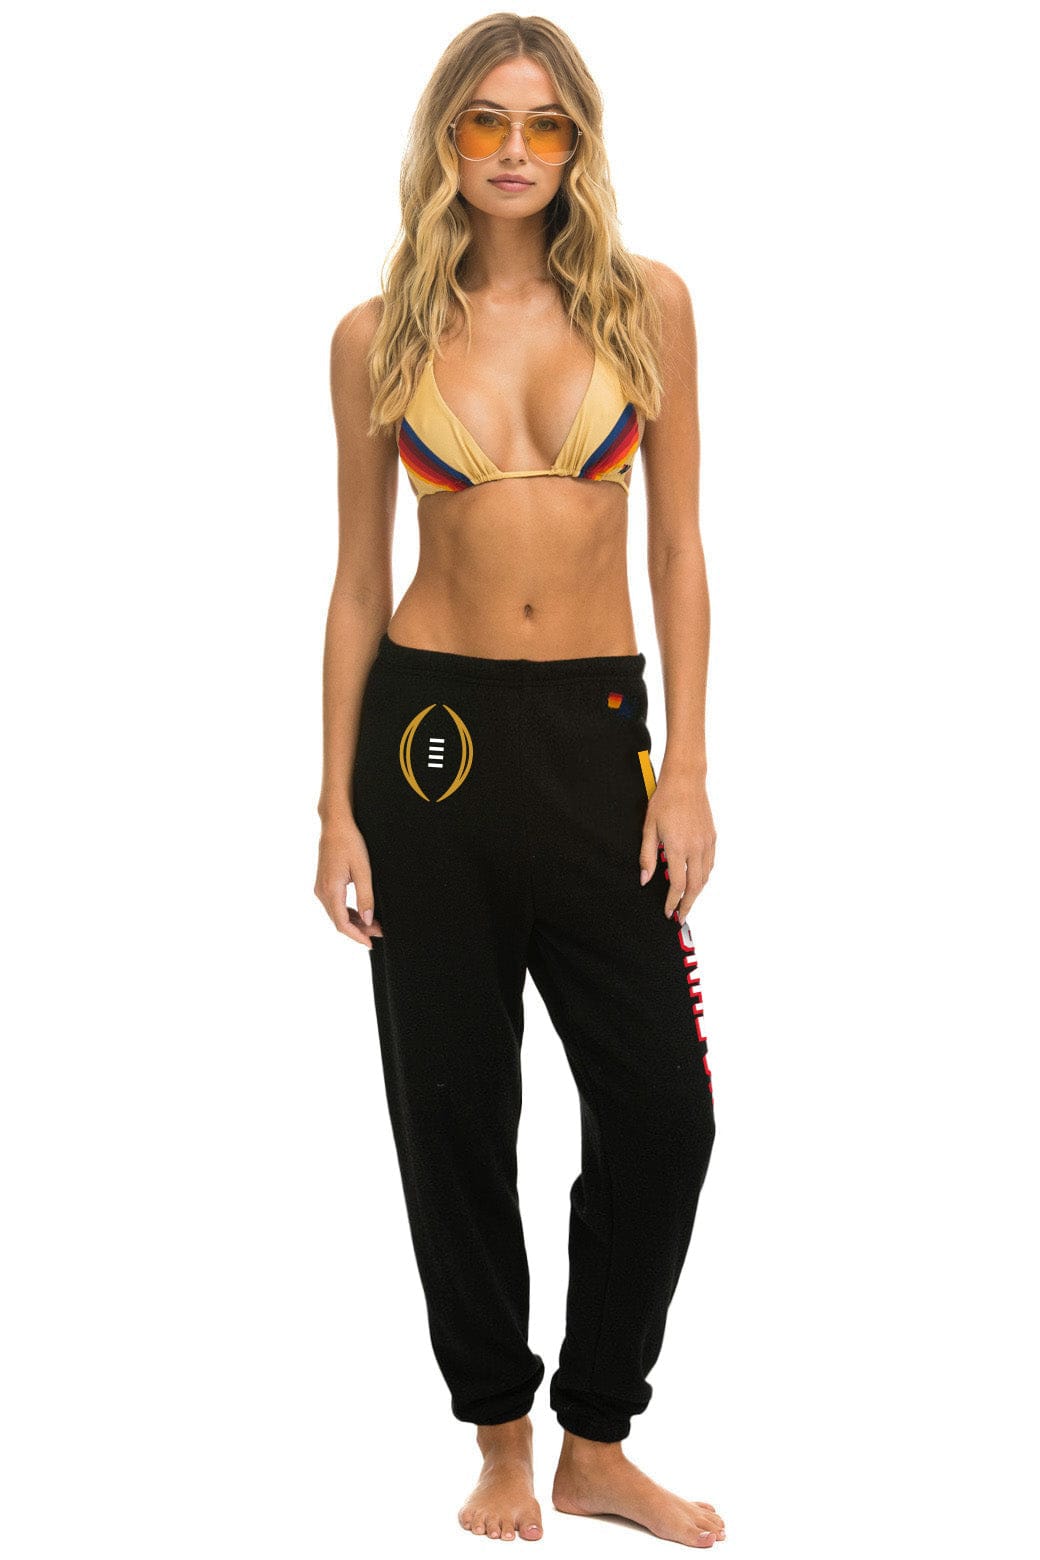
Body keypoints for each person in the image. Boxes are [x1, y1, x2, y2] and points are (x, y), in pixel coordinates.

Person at [314, 14, 724, 1549]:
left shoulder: (649, 307)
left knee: (664, 1109)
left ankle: (596, 1438)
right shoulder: (378, 334)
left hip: (595, 743)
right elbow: (359, 582)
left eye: (543, 125)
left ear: (577, 146)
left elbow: (677, 550)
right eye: (483, 121)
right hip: (430, 750)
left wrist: (687, 767)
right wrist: (335, 804)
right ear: (445, 139)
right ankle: (500, 1437)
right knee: (453, 1106)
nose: (512, 150)